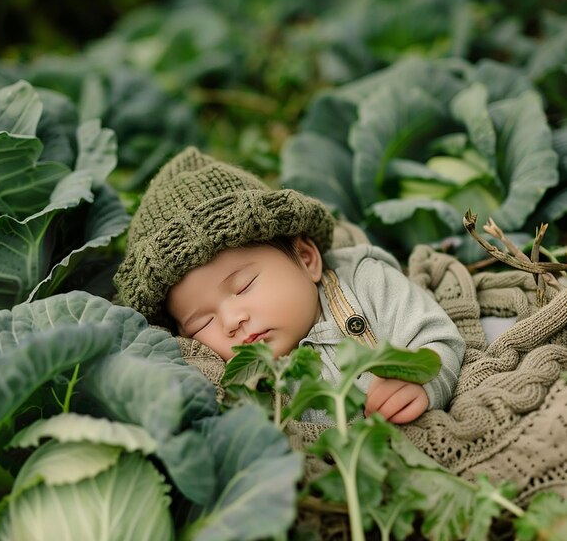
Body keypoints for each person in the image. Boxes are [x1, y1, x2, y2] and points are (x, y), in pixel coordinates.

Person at [114, 147, 466, 425]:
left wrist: (424, 379)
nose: (231, 319)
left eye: (244, 286)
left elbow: (438, 335)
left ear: (306, 257)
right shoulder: (225, 376)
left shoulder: (365, 281)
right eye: (200, 322)